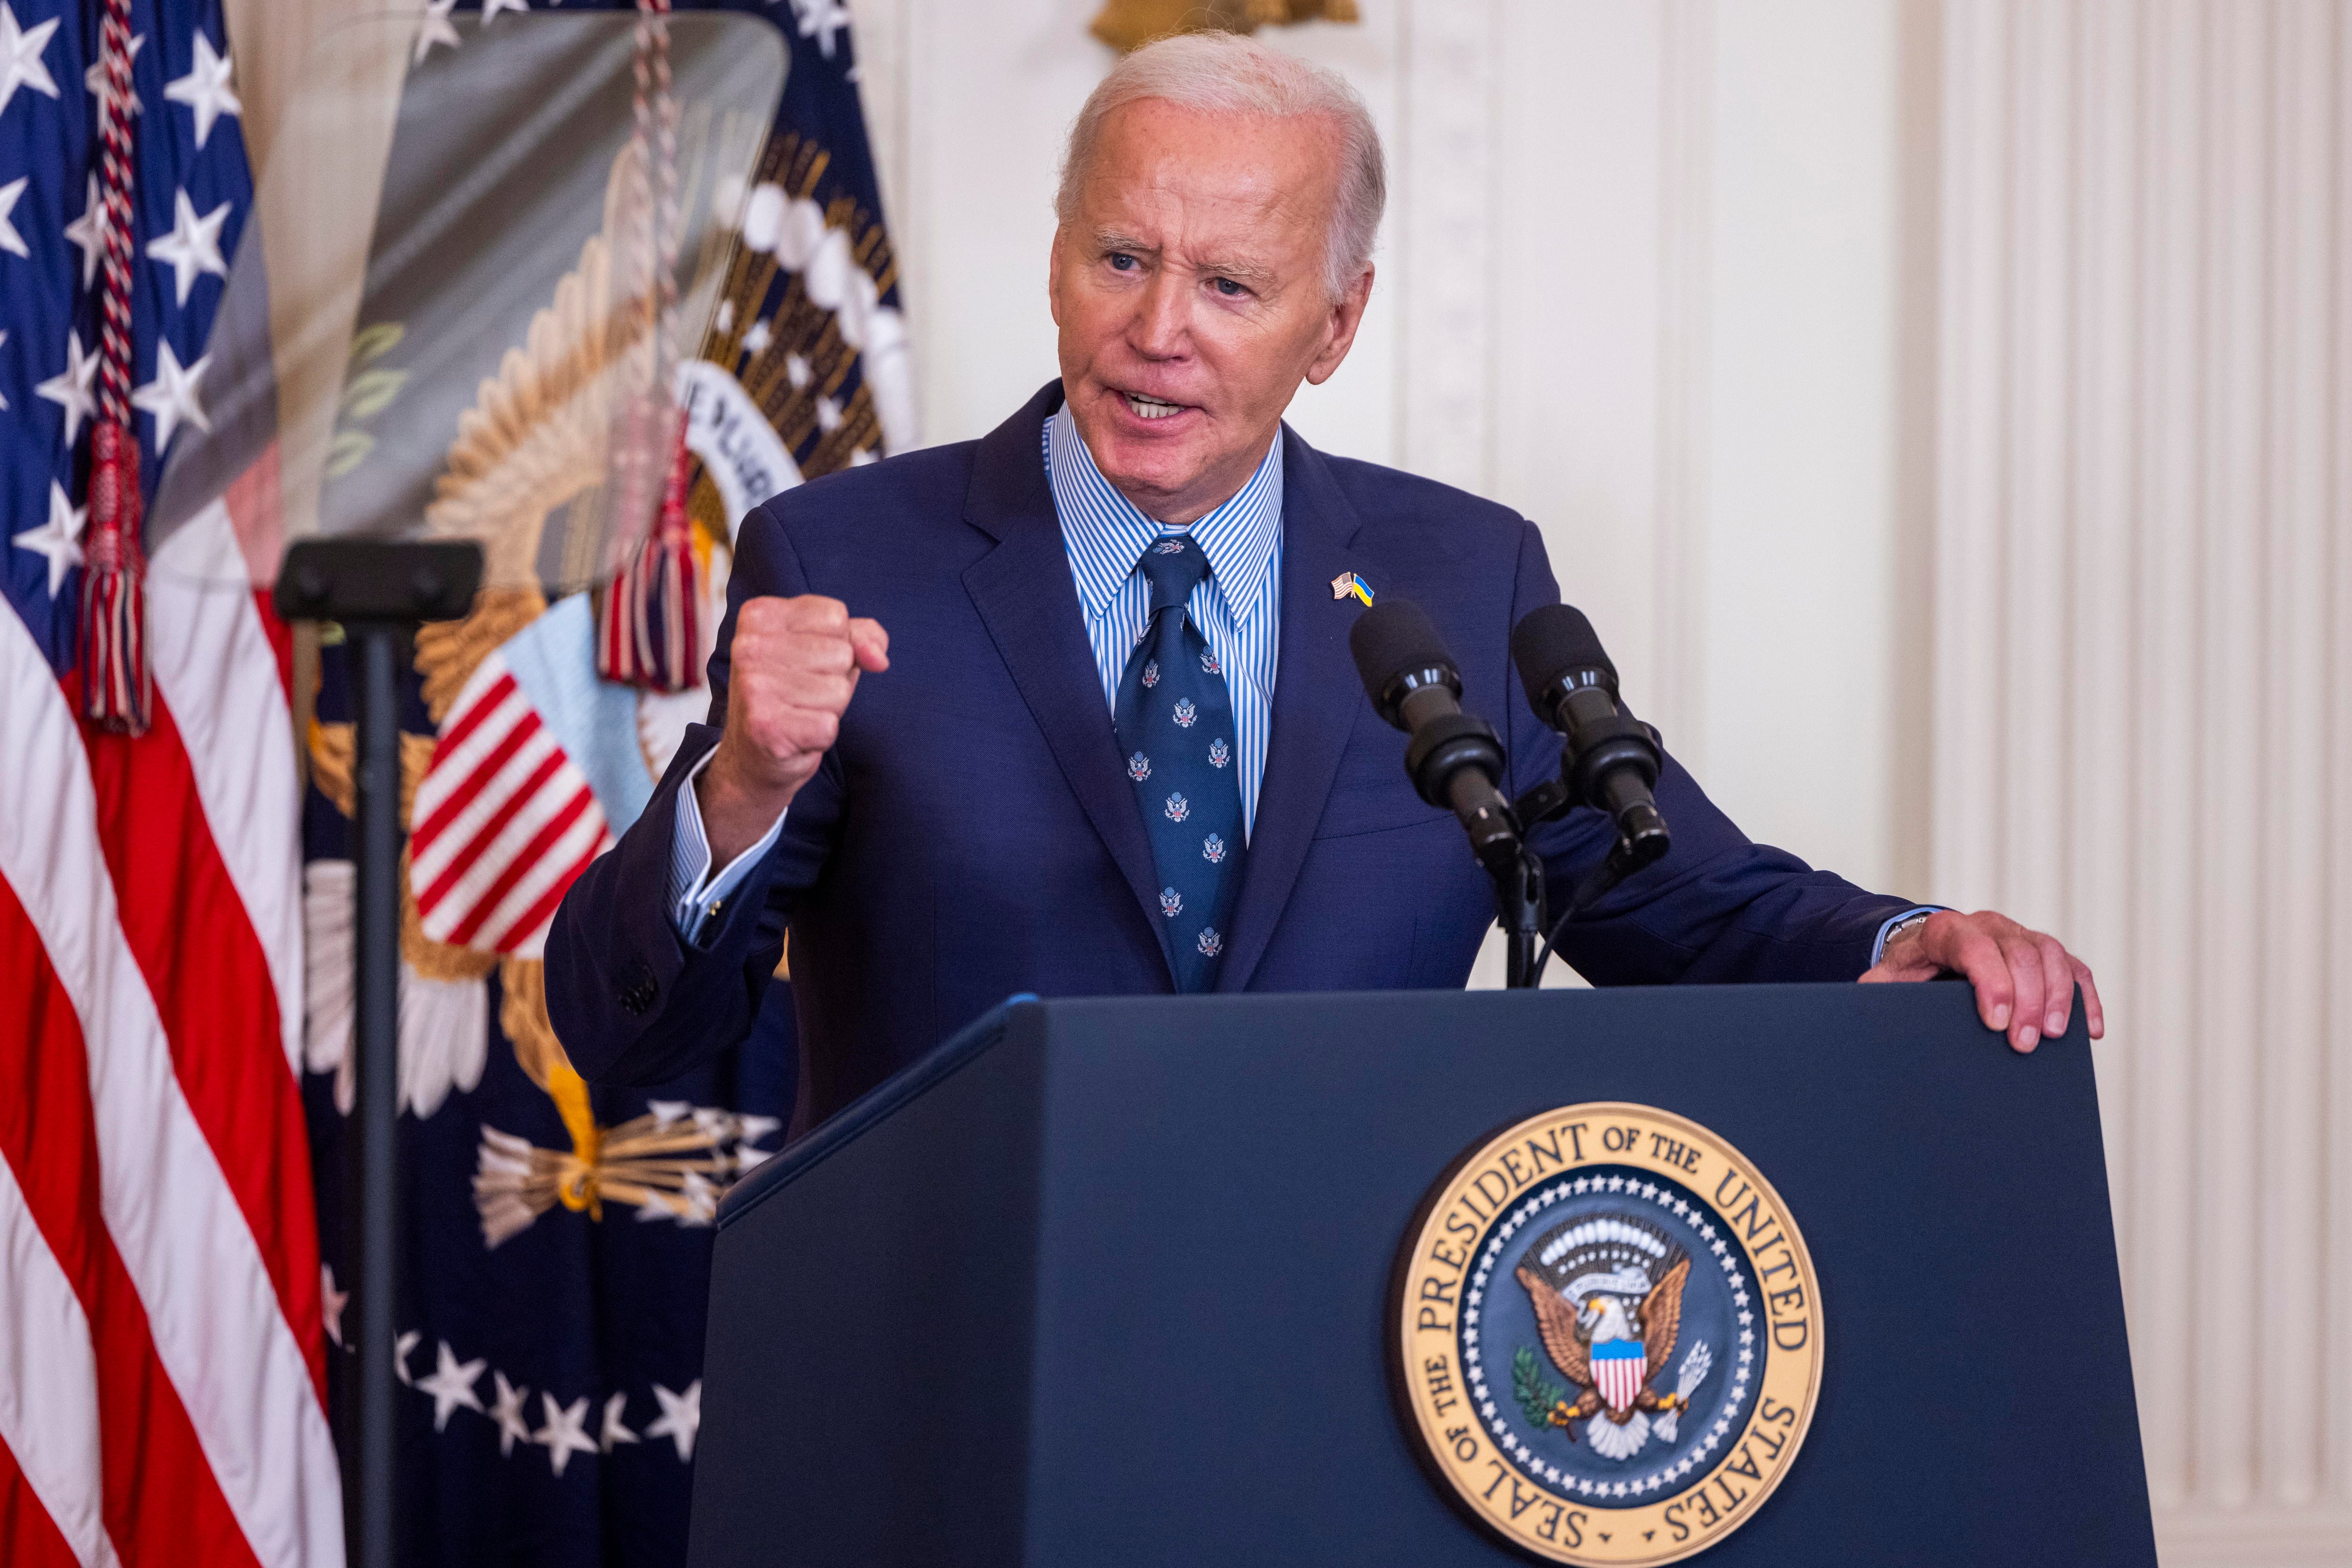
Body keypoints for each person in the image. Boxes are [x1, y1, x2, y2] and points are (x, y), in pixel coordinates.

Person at [547, 32, 2101, 1130]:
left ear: (1336, 326)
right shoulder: (847, 559)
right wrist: (739, 785)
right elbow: (634, 1040)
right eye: (1119, 260)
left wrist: (1907, 942)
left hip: (1347, 1384)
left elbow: (1675, 895)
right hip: (956, 1371)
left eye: (1230, 285)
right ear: (1055, 262)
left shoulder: (1462, 577)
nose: (1160, 330)